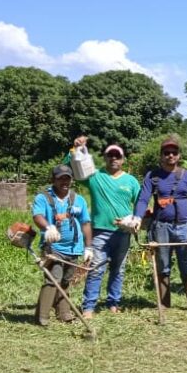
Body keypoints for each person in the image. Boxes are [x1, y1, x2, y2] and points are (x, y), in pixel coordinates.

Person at [132, 136, 187, 309]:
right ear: (161, 156)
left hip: (183, 227)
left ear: (179, 156)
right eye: (167, 153)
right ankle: (164, 303)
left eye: (174, 152)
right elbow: (143, 199)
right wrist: (137, 217)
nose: (170, 156)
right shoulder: (153, 176)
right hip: (161, 227)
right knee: (163, 264)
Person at [67, 136, 139, 318]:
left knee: (118, 269)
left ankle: (113, 303)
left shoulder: (131, 181)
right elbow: (72, 170)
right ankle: (89, 307)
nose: (114, 159)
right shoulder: (94, 177)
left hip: (123, 233)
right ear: (105, 158)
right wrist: (74, 150)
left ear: (123, 159)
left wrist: (134, 221)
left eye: (117, 156)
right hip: (99, 232)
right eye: (110, 156)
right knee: (96, 269)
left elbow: (141, 204)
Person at [32, 165, 93, 326]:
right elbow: (37, 216)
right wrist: (48, 227)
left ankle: (64, 313)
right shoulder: (43, 197)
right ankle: (42, 316)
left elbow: (85, 223)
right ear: (53, 180)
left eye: (67, 178)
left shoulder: (78, 199)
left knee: (66, 280)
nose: (64, 181)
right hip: (53, 248)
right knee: (53, 278)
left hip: (74, 248)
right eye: (60, 178)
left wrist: (89, 247)